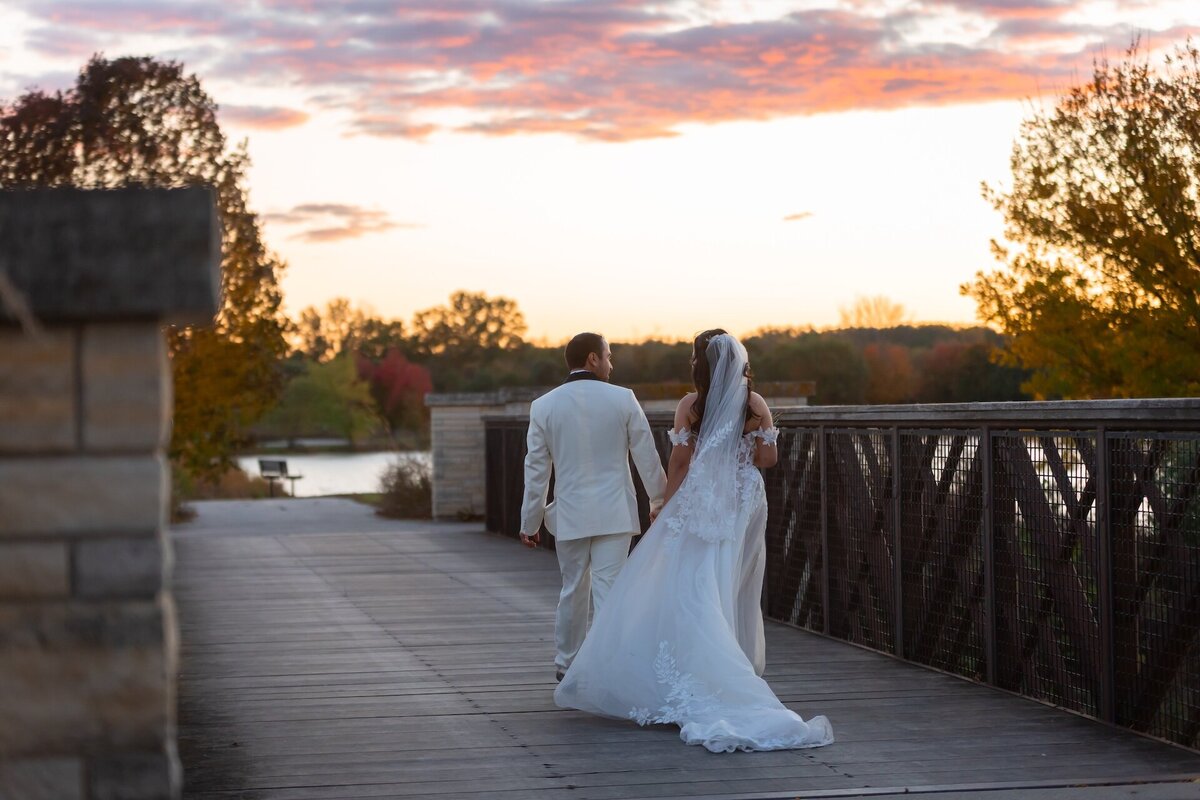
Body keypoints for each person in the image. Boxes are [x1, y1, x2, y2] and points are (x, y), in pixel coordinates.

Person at [554, 329, 834, 753]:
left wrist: (663, 507)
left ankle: (702, 663)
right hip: (743, 498)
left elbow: (681, 463)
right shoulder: (755, 403)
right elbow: (769, 458)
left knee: (691, 575)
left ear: (699, 364)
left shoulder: (690, 405)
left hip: (704, 497)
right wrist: (740, 453)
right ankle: (736, 659)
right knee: (736, 576)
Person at [520, 332, 667, 682]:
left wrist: (531, 521)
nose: (611, 364)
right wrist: (659, 500)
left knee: (572, 588)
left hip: (569, 514)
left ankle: (567, 664)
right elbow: (646, 455)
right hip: (615, 513)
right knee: (610, 589)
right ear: (592, 359)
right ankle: (608, 666)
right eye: (608, 356)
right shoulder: (623, 399)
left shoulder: (544, 406)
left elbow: (536, 469)